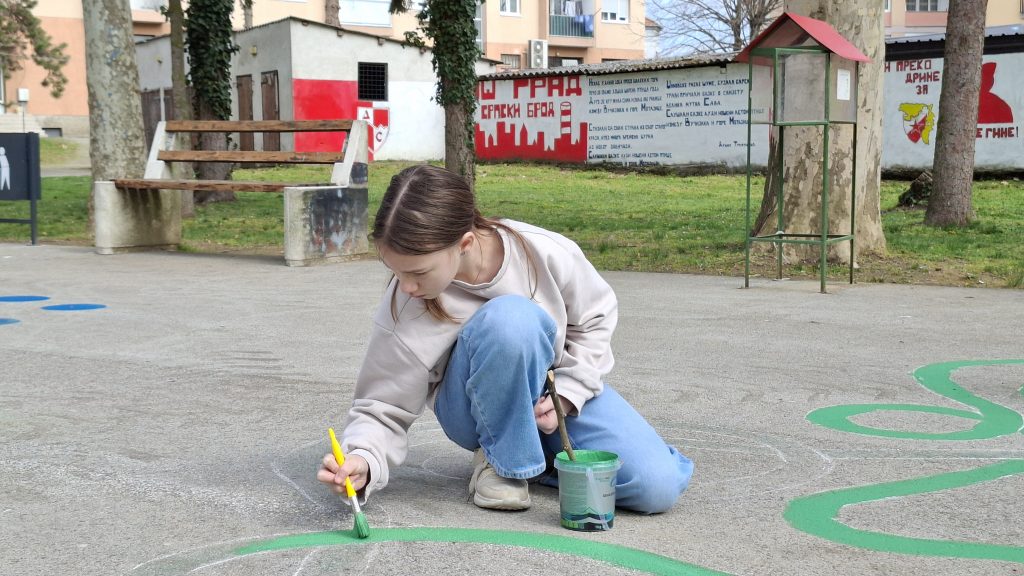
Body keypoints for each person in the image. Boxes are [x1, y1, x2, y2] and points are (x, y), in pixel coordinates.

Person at [316, 164, 693, 513]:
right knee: (511, 321)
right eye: (397, 272)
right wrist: (363, 458)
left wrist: (571, 390)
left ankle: (534, 458)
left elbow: (594, 319)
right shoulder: (407, 302)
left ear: (464, 244)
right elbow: (382, 402)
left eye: (418, 273)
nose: (407, 287)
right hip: (471, 411)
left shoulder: (543, 252)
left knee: (654, 486)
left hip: (549, 397)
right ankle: (503, 463)